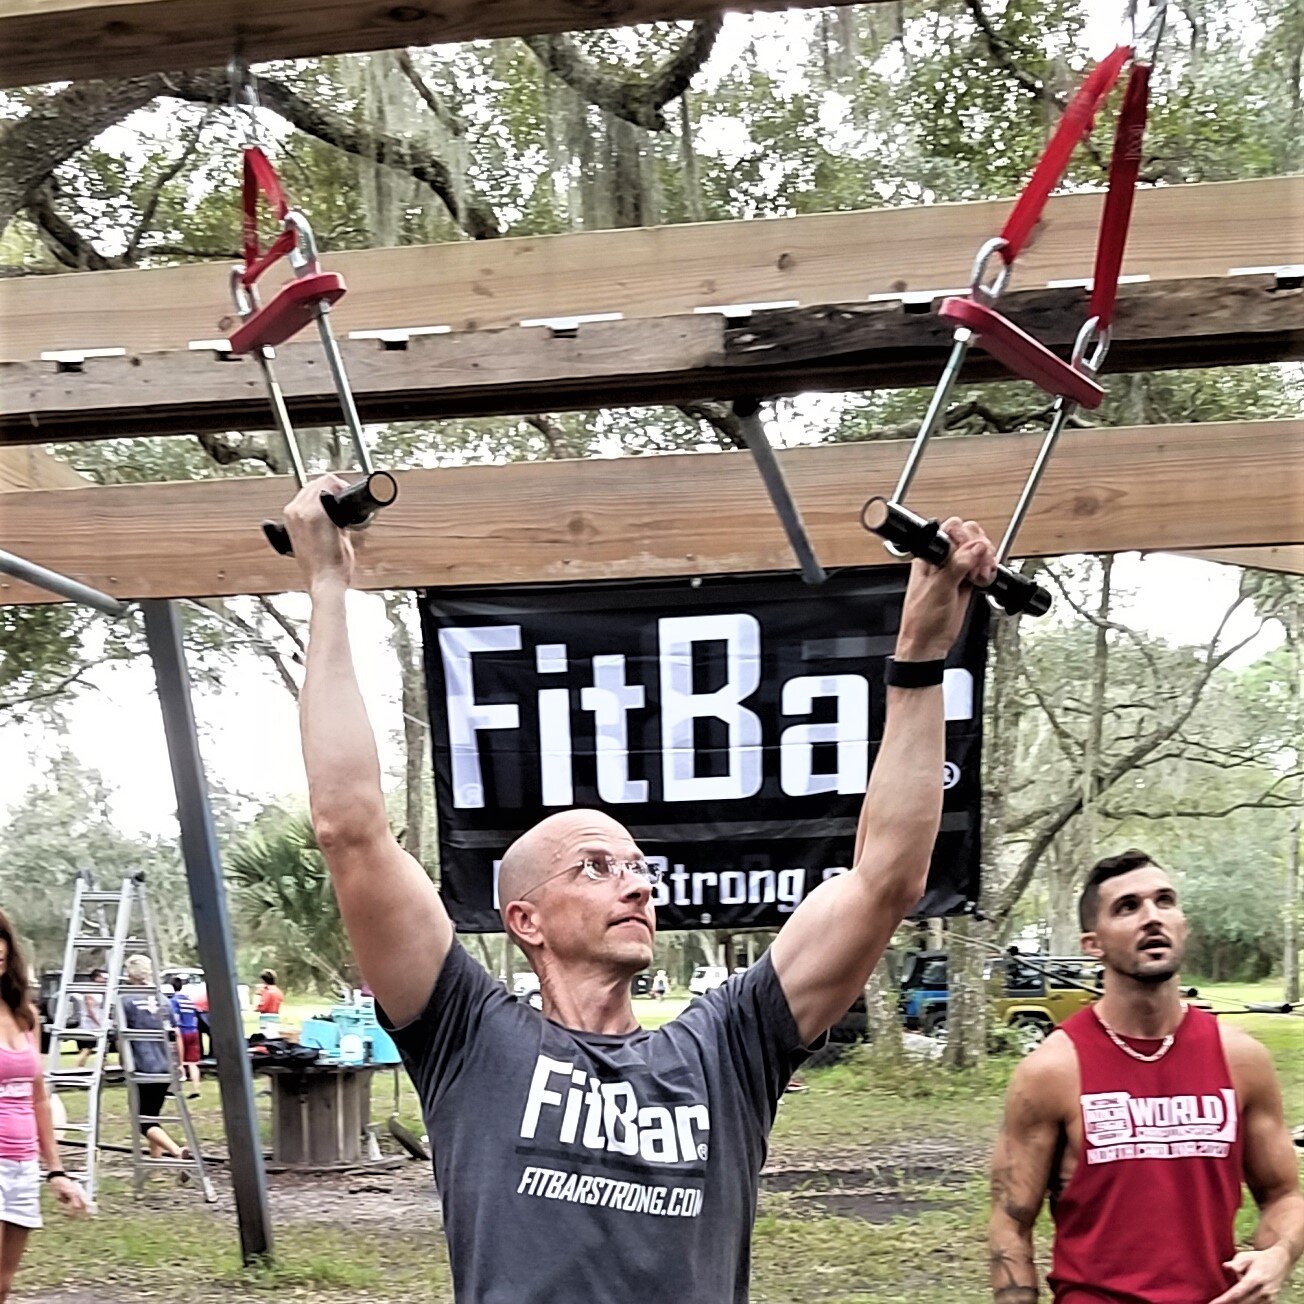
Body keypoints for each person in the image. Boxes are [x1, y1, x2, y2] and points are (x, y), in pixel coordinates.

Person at [286, 474, 996, 1303]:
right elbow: (350, 828)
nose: (634, 885)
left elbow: (886, 880)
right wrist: (328, 586)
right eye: (595, 866)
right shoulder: (467, 1039)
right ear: (526, 919)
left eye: (637, 868)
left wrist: (920, 655)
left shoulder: (727, 1045)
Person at [989, 849, 1304, 1304]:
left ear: (1183, 925)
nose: (1152, 917)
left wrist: (1277, 1254)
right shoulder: (1051, 1071)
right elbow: (1010, 1224)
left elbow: (1284, 1194)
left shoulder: (1242, 1060)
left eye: (1165, 901)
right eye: (1127, 907)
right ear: (1092, 943)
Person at [0, 910, 90, 1302]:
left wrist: (55, 1171)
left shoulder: (25, 1015)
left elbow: (38, 1098)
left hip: (21, 1167)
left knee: (2, 1285)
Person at [118, 957, 189, 1165]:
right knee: (152, 1115)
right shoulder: (163, 999)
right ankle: (155, 1164)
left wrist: (123, 1063)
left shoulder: (125, 1001)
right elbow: (176, 1034)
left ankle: (176, 1151)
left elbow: (122, 1037)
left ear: (130, 974)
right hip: (166, 1064)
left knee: (142, 1121)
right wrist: (180, 1064)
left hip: (142, 1066)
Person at [167, 978, 201, 1098]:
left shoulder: (173, 1001)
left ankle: (173, 1090)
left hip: (182, 1032)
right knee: (193, 1063)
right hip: (193, 1031)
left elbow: (174, 1019)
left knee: (177, 1061)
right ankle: (196, 1090)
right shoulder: (188, 1000)